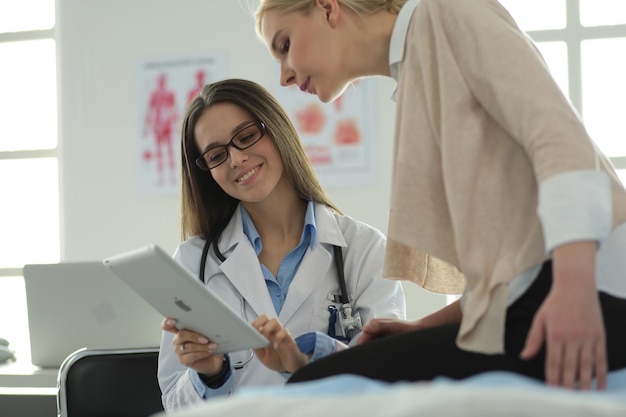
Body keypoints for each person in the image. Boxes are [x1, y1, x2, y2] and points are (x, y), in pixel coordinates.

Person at [253, 0, 626, 391]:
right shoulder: (418, 69)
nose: (284, 76)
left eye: (284, 45)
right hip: (540, 298)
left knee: (319, 384)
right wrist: (418, 330)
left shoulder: (448, 12)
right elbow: (509, 274)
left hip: (595, 291)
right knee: (322, 379)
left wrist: (574, 288)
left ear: (328, 8)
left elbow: (560, 141)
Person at [157, 78, 406, 411]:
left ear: (276, 129)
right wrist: (210, 376)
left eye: (245, 137)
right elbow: (173, 404)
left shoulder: (364, 249)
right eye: (217, 155)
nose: (236, 159)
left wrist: (305, 364)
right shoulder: (192, 262)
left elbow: (387, 382)